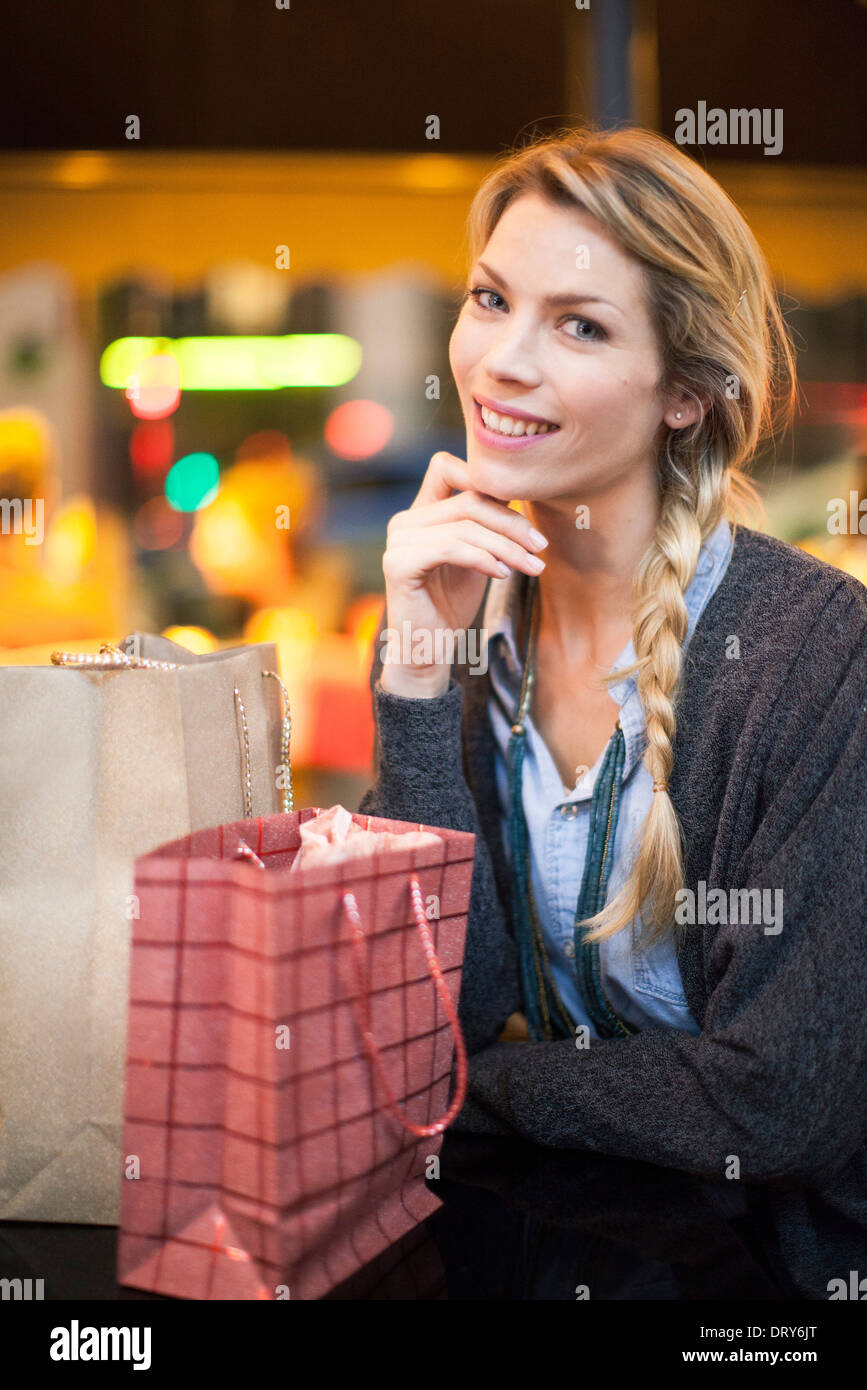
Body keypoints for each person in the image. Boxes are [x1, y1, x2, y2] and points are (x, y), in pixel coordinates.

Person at [358, 125, 867, 1300]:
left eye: (579, 325)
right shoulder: (459, 616)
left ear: (686, 393)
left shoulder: (816, 652)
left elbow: (779, 1098)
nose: (502, 362)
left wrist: (481, 1087)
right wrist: (420, 675)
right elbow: (443, 1009)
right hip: (557, 1251)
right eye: (491, 299)